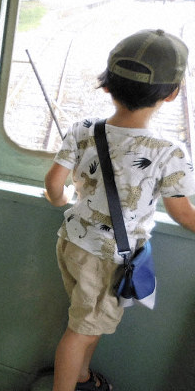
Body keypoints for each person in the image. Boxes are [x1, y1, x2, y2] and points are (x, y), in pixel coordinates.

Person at [43, 29, 195, 391]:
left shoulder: (83, 129)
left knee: (90, 321)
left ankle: (81, 376)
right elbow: (183, 214)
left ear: (107, 85)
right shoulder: (168, 151)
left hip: (72, 243)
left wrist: (63, 200)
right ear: (172, 94)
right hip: (107, 258)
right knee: (80, 331)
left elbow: (53, 184)